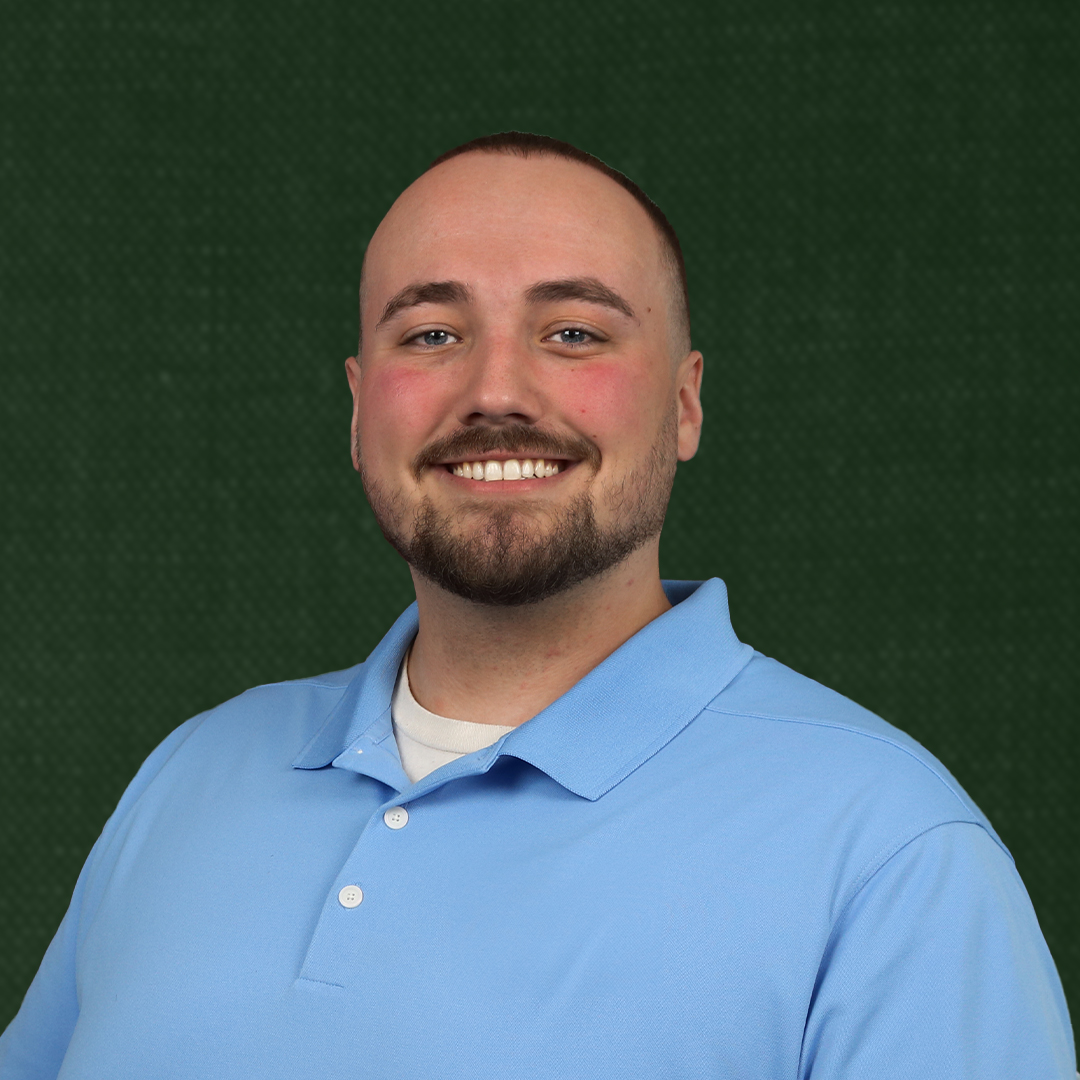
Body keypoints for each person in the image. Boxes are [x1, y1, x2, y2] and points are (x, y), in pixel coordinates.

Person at [0, 132, 1074, 1079]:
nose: (496, 391)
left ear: (687, 402)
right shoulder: (194, 772)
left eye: (574, 333)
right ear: (358, 403)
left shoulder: (893, 853)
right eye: (429, 335)